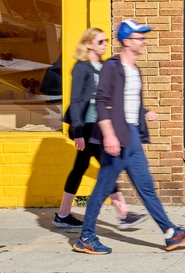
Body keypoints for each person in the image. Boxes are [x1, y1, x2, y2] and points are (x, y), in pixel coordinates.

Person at [74, 18, 185, 255]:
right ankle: (86, 237)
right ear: (126, 41)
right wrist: (109, 135)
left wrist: (144, 112)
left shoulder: (134, 69)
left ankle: (171, 234)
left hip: (131, 135)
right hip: (116, 138)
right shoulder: (112, 67)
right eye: (140, 37)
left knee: (146, 187)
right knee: (102, 190)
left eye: (143, 37)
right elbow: (102, 102)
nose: (144, 41)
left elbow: (127, 102)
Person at [52, 28, 143, 230]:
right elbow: (75, 100)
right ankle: (124, 213)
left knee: (79, 168)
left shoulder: (104, 66)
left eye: (106, 41)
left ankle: (63, 215)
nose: (105, 44)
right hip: (85, 127)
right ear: (88, 44)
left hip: (97, 126)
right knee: (108, 165)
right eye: (100, 41)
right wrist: (78, 131)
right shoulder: (81, 67)